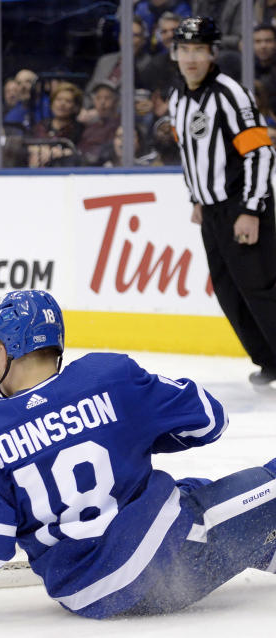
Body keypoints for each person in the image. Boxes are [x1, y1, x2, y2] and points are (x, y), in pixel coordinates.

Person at [0, 288, 276, 618]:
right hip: (158, 556)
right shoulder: (108, 376)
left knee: (193, 490)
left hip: (86, 595)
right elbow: (210, 419)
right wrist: (132, 428)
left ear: (4, 349)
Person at [168, 17, 276, 387]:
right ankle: (268, 361)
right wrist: (196, 198)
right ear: (175, 54)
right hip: (212, 212)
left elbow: (260, 152)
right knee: (230, 293)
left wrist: (251, 209)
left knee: (262, 289)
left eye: (199, 49)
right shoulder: (177, 97)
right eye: (185, 49)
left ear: (213, 52)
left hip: (240, 206)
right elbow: (190, 153)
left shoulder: (230, 93)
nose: (191, 57)